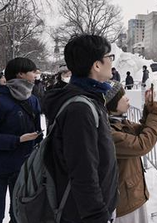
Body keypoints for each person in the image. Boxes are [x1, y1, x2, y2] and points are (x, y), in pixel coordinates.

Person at [43, 34, 118, 223]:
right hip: (81, 214)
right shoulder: (80, 108)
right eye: (109, 57)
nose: (112, 62)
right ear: (97, 65)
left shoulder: (88, 99)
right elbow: (83, 169)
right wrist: (96, 215)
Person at [0, 58, 42, 223]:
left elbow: (36, 132)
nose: (36, 75)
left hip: (22, 168)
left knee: (18, 214)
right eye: (33, 71)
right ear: (20, 74)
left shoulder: (32, 100)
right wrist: (17, 140)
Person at [105, 82, 157, 223]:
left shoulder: (120, 123)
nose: (127, 98)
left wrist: (149, 109)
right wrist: (154, 114)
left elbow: (146, 131)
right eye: (122, 96)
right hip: (124, 203)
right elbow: (142, 144)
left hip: (133, 194)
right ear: (112, 105)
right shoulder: (109, 132)